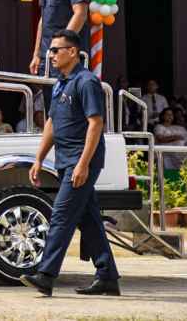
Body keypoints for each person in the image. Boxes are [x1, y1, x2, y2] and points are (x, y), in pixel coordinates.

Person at [21, 29, 120, 297]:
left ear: (72, 52)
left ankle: (46, 274)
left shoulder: (86, 82)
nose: (49, 55)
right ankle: (107, 276)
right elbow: (52, 123)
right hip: (64, 159)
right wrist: (39, 158)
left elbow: (95, 123)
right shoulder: (60, 83)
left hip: (80, 161)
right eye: (49, 50)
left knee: (61, 216)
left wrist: (83, 164)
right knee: (89, 221)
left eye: (55, 50)